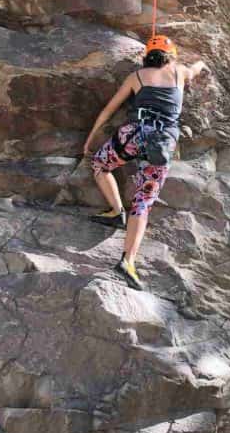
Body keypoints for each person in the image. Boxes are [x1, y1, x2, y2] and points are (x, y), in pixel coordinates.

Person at [83, 34, 209, 291]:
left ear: (147, 57)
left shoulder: (136, 77)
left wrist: (91, 137)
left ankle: (117, 211)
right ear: (171, 55)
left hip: (134, 135)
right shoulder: (180, 72)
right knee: (143, 202)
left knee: (100, 164)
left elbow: (109, 109)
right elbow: (196, 68)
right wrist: (202, 63)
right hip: (162, 143)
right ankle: (127, 261)